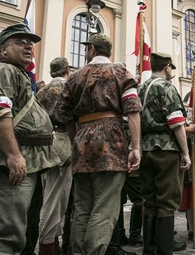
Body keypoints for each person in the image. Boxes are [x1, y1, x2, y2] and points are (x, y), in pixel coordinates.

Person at [0, 24, 61, 254]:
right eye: (20, 41)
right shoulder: (3, 71)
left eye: (30, 42)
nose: (28, 45)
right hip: (9, 163)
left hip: (21, 160)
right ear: (3, 49)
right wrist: (13, 155)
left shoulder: (16, 73)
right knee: (6, 235)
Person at [61, 33, 141, 255]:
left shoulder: (74, 78)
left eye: (87, 49)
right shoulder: (122, 73)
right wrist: (136, 148)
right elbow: (132, 111)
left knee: (82, 207)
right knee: (104, 207)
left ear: (92, 50)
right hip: (112, 143)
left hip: (82, 141)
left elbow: (66, 116)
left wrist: (75, 142)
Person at [138, 52, 192, 254]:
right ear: (167, 67)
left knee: (149, 200)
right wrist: (185, 153)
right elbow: (176, 123)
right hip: (166, 149)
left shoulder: (140, 87)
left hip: (145, 147)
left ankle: (149, 250)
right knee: (167, 202)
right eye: (171, 68)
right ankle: (164, 250)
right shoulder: (167, 87)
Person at [35, 57, 74, 254]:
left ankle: (53, 243)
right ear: (67, 69)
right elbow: (71, 117)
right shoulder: (68, 88)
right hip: (63, 138)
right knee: (57, 198)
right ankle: (48, 245)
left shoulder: (42, 91)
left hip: (44, 141)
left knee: (50, 195)